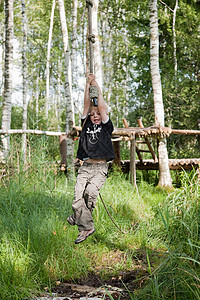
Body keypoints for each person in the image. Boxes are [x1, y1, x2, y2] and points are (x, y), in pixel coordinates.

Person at [67, 73, 115, 244]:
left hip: (100, 168)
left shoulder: (106, 126)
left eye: (98, 114)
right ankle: (85, 228)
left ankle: (78, 217)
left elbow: (101, 106)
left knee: (90, 194)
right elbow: (87, 105)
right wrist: (88, 84)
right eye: (92, 114)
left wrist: (97, 88)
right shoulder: (86, 123)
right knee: (77, 197)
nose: (95, 115)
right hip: (85, 167)